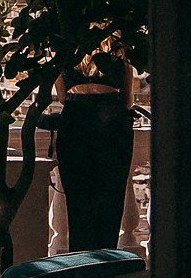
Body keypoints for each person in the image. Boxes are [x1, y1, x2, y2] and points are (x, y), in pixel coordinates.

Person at [52, 38, 134, 252]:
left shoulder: (66, 52)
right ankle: (105, 263)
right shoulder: (119, 55)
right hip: (113, 124)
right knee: (110, 203)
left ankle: (81, 263)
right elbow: (127, 100)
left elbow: (62, 97)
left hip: (75, 122)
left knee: (78, 206)